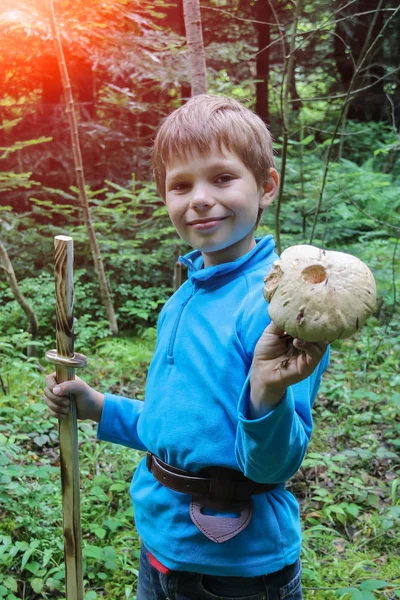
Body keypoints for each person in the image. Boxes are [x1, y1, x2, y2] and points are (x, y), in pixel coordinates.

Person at [44, 94, 330, 600]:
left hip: (233, 568)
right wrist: (99, 407)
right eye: (181, 184)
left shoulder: (279, 309)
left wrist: (267, 392)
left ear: (266, 186)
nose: (199, 197)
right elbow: (179, 425)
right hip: (161, 544)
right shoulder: (185, 297)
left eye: (222, 178)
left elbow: (275, 465)